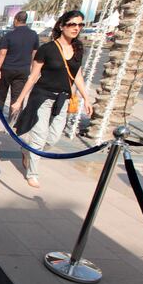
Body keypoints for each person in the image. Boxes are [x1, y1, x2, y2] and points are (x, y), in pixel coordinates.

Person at [10, 10, 93, 188]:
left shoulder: (78, 49)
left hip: (62, 99)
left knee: (53, 138)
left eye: (80, 24)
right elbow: (33, 77)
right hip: (42, 98)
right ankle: (32, 173)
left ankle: (27, 150)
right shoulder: (47, 49)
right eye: (72, 24)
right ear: (62, 26)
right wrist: (18, 101)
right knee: (39, 137)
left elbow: (77, 75)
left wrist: (86, 98)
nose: (76, 28)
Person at [0, 11, 38, 117]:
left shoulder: (10, 35)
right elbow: (35, 53)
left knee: (0, 94)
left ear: (15, 20)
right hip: (23, 71)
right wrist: (33, 69)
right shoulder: (33, 35)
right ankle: (14, 118)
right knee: (18, 96)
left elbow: (2, 53)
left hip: (7, 69)